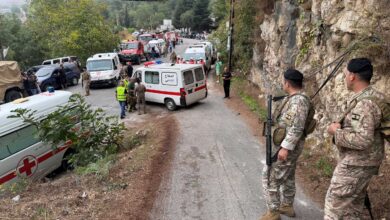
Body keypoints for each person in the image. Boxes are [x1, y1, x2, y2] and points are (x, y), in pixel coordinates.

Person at [325, 58, 385, 219]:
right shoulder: (373, 96)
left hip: (356, 164)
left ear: (352, 76)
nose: (345, 78)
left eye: (345, 74)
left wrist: (336, 132)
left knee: (334, 208)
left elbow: (363, 140)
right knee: (352, 209)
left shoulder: (364, 104)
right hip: (365, 163)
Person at [260, 69, 311, 220]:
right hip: (287, 145)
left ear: (287, 83)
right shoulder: (294, 98)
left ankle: (273, 212)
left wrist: (285, 148)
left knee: (269, 177)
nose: (282, 83)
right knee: (288, 176)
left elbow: (296, 127)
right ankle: (287, 206)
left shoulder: (298, 101)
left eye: (283, 81)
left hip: (287, 147)